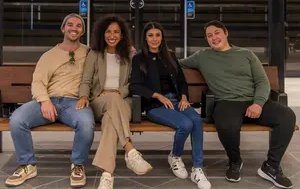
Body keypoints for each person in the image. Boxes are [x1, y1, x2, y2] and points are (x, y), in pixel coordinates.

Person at [179, 20, 296, 189]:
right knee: (225, 124)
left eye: (217, 32)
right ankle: (235, 161)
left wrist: (257, 104)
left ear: (226, 33)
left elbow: (263, 82)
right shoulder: (202, 56)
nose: (214, 37)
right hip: (227, 102)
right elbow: (173, 63)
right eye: (209, 35)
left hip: (253, 100)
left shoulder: (246, 54)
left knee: (287, 116)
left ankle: (271, 166)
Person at [5, 13, 95, 188]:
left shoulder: (89, 53)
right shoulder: (49, 55)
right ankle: (27, 165)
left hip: (74, 103)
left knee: (86, 123)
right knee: (17, 119)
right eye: (70, 24)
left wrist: (129, 51)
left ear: (82, 31)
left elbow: (109, 56)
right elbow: (38, 81)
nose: (74, 28)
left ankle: (77, 165)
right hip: (48, 101)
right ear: (63, 28)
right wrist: (45, 101)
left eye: (78, 25)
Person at [129, 21, 212, 189]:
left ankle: (197, 168)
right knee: (185, 124)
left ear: (162, 37)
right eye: (150, 35)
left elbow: (181, 81)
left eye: (157, 35)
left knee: (196, 121)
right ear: (145, 38)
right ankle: (175, 156)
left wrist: (183, 97)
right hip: (155, 106)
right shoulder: (139, 59)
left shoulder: (170, 55)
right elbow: (134, 86)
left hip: (176, 101)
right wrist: (158, 96)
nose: (154, 39)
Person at [76, 14, 152, 189]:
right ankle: (130, 149)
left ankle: (107, 174)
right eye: (108, 31)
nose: (112, 35)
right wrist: (83, 96)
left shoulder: (130, 55)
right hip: (98, 101)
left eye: (116, 32)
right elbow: (86, 81)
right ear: (102, 34)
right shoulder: (94, 54)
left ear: (122, 35)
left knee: (111, 121)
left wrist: (118, 91)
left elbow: (133, 83)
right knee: (111, 100)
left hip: (122, 101)